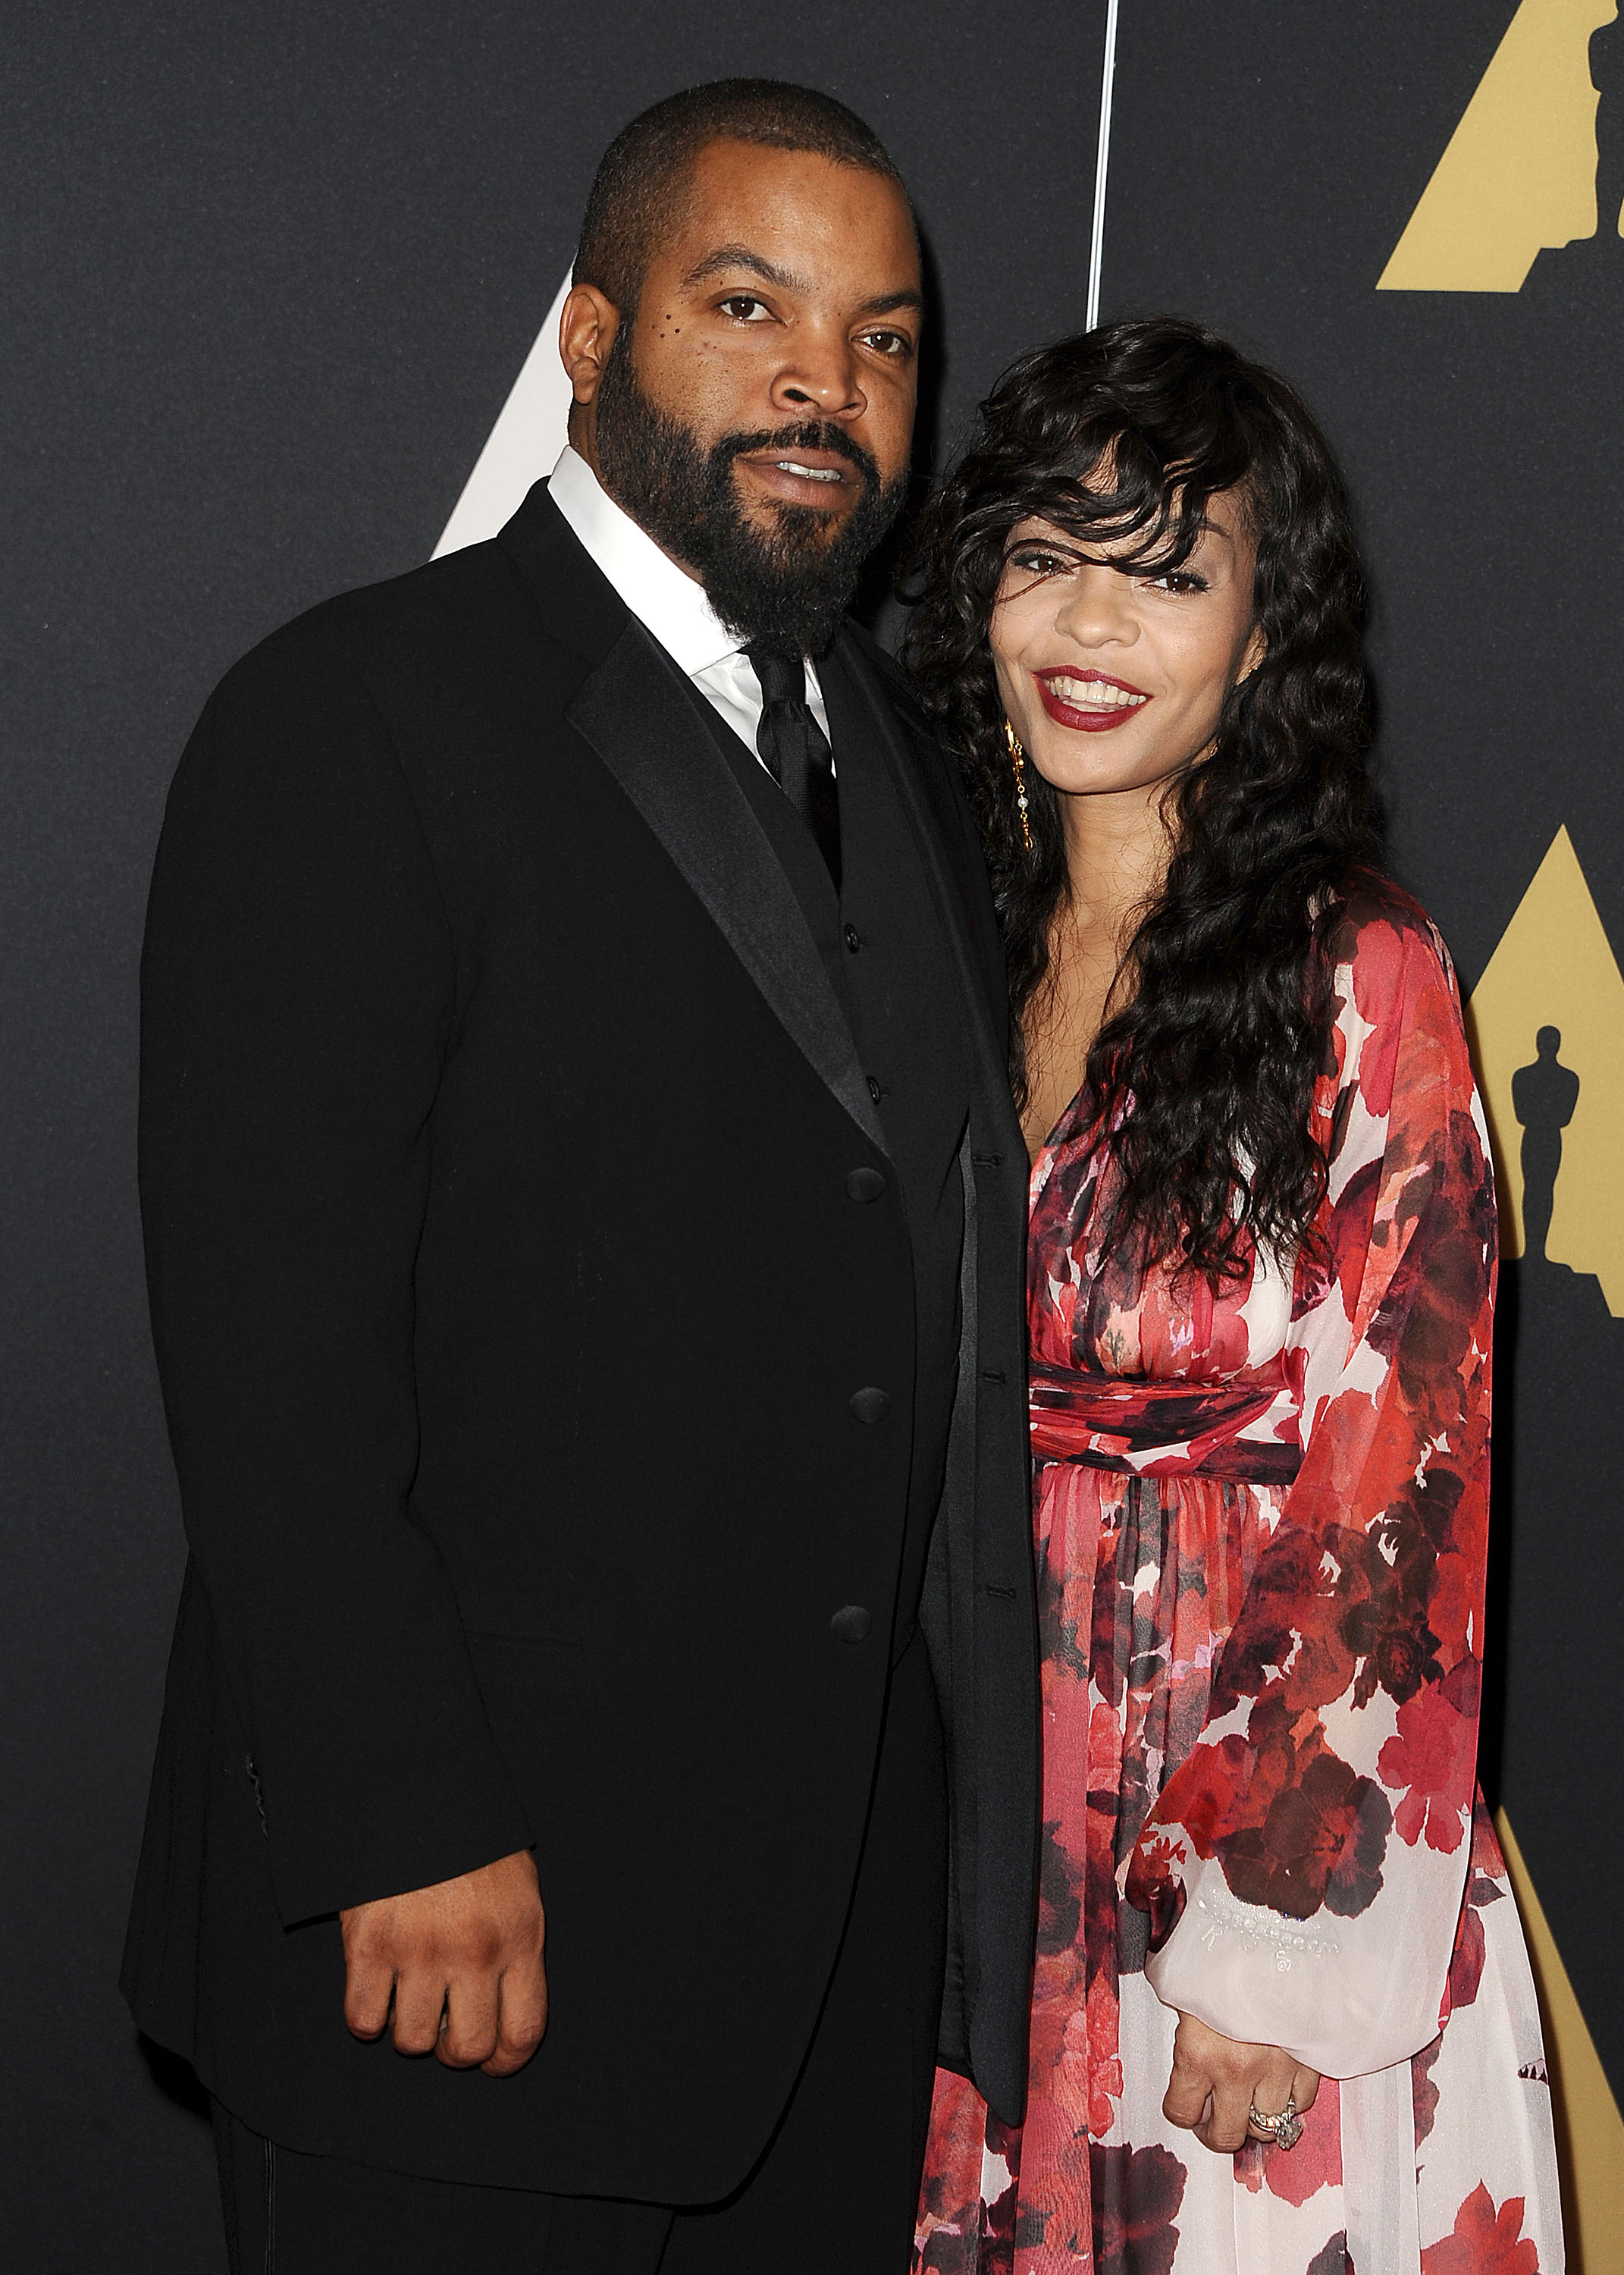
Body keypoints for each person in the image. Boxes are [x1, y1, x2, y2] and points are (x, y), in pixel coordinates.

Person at [122, 80, 1039, 2275]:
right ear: (592, 336)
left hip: (822, 1984)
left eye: (884, 338)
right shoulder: (355, 712)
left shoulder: (915, 757)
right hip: (456, 1948)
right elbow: (269, 1350)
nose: (826, 382)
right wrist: (395, 1823)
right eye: (750, 307)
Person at [904, 320, 1565, 2273]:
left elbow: (1401, 1482)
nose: (1089, 625)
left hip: (1246, 1818)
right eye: (1047, 556)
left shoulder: (1357, 973)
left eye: (1168, 573)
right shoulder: (928, 943)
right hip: (969, 1816)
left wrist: (1272, 1937)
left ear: (1266, 636)